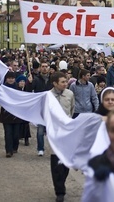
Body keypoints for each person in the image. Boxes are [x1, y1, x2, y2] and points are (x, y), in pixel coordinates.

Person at [49, 72, 75, 202]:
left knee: (65, 162)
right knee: (56, 162)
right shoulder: (48, 96)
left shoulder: (69, 94)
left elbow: (71, 110)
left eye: (66, 81)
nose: (66, 84)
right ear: (55, 83)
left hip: (67, 132)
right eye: (63, 82)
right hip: (54, 133)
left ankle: (61, 181)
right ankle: (59, 190)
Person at [26, 62, 53, 156]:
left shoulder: (52, 79)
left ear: (49, 68)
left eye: (46, 66)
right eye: (43, 66)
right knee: (40, 130)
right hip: (40, 108)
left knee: (52, 130)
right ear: (40, 68)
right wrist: (29, 83)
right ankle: (40, 148)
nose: (45, 68)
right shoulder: (36, 79)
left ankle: (54, 148)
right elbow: (28, 91)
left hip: (50, 108)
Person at [0, 72, 24, 157]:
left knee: (16, 134)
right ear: (6, 79)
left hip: (16, 114)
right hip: (6, 114)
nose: (11, 79)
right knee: (8, 133)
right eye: (9, 78)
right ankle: (8, 151)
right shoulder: (2, 88)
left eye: (12, 78)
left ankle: (14, 147)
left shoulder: (18, 88)